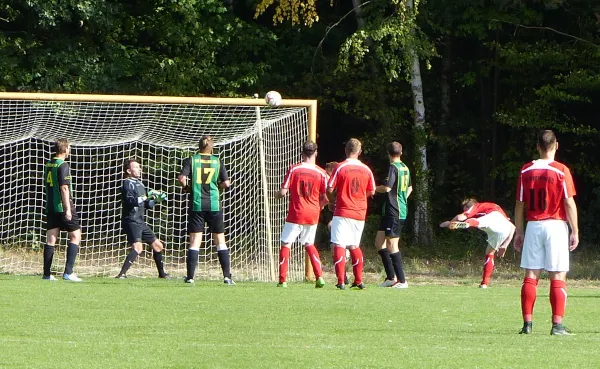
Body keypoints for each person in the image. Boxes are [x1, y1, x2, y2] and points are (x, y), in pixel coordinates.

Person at [513, 130, 578, 336]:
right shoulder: (561, 170)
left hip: (534, 225)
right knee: (557, 274)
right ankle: (557, 325)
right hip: (556, 225)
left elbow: (519, 204)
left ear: (537, 146)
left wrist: (519, 231)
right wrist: (575, 230)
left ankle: (527, 325)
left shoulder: (526, 170)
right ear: (556, 145)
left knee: (531, 275)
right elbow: (568, 202)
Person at [178, 135, 234, 285]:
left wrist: (186, 188)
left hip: (197, 204)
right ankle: (227, 277)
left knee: (195, 241)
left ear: (198, 146)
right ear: (212, 148)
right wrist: (218, 186)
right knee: (220, 240)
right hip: (214, 204)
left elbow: (182, 178)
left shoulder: (192, 160)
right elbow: (227, 183)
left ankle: (190, 277)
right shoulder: (217, 161)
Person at [275, 141, 328, 288]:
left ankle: (282, 280)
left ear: (302, 152)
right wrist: (319, 207)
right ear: (316, 153)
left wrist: (276, 195)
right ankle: (319, 277)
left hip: (296, 213)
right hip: (312, 213)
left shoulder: (294, 169)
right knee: (309, 243)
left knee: (286, 243)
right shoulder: (321, 172)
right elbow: (326, 197)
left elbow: (283, 192)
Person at [327, 138, 376, 290]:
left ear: (346, 150)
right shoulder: (366, 169)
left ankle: (341, 280)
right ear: (360, 152)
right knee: (354, 245)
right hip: (359, 212)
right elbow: (372, 191)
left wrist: (332, 201)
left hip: (342, 210)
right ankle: (359, 280)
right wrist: (360, 198)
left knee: (339, 244)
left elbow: (329, 188)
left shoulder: (340, 167)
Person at [440, 198, 515, 288]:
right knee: (489, 252)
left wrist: (450, 223)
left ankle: (467, 224)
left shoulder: (477, 206)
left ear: (470, 206)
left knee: (477, 222)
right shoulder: (496, 208)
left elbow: (460, 217)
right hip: (505, 229)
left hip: (494, 218)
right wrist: (505, 245)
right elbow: (513, 227)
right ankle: (484, 284)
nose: (467, 212)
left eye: (466, 209)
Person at [115, 159, 169, 279]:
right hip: (131, 220)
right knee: (138, 248)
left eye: (139, 167)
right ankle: (121, 274)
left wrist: (156, 200)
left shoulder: (140, 184)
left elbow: (146, 205)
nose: (139, 169)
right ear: (128, 171)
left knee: (158, 246)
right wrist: (147, 196)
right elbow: (130, 202)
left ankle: (162, 274)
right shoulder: (127, 183)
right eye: (136, 167)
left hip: (140, 221)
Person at [42, 138, 82, 282]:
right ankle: (68, 272)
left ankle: (47, 274)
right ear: (65, 149)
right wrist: (68, 210)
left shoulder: (49, 164)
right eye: (69, 148)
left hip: (51, 206)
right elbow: (64, 188)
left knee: (51, 238)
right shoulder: (63, 165)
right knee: (75, 236)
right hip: (62, 205)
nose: (69, 150)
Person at [375, 142, 412, 289]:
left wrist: (372, 188)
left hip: (395, 211)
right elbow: (409, 188)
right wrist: (402, 198)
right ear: (401, 152)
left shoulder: (393, 167)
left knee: (392, 244)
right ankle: (391, 277)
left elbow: (387, 187)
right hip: (390, 210)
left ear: (388, 154)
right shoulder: (405, 167)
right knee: (379, 242)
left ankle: (402, 281)